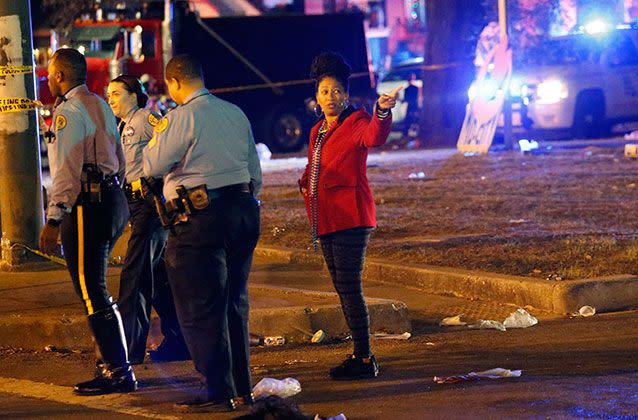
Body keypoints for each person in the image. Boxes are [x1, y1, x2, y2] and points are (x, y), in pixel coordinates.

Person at [142, 54, 262, 413]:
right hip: (243, 212)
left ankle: (217, 391)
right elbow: (256, 173)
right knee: (235, 303)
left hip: (200, 218)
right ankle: (243, 388)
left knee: (201, 308)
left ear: (175, 83)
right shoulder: (234, 112)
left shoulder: (180, 117)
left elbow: (152, 164)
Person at [39, 48, 136, 395]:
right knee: (96, 288)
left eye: (50, 74)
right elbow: (120, 157)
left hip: (87, 206)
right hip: (111, 199)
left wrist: (53, 219)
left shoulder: (68, 112)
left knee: (92, 290)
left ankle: (118, 371)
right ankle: (112, 366)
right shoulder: (98, 105)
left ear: (61, 76)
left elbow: (66, 171)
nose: (47, 80)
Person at [298, 52, 399, 380]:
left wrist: (381, 111)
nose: (331, 97)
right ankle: (360, 352)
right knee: (342, 287)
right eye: (325, 91)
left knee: (350, 286)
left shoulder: (356, 123)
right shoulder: (317, 131)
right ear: (317, 95)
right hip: (325, 219)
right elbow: (314, 169)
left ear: (347, 94)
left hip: (352, 217)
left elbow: (375, 135)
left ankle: (364, 356)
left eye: (337, 91)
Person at [106, 75, 189, 365]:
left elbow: (170, 148)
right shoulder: (122, 125)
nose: (111, 99)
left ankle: (127, 352)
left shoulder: (145, 119)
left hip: (150, 204)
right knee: (158, 279)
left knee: (135, 276)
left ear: (134, 94)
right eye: (108, 94)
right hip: (134, 203)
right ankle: (181, 339)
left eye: (116, 93)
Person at [403, 72, 420, 137]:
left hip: (412, 105)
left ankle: (406, 134)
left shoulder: (409, 89)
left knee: (410, 120)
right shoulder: (414, 88)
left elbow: (406, 99)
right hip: (413, 105)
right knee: (413, 120)